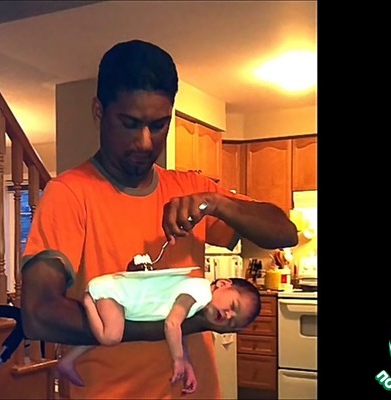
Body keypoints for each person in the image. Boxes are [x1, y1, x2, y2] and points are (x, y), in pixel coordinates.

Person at [20, 39, 298, 399]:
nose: (146, 142)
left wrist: (217, 203)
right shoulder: (69, 194)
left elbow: (284, 232)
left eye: (159, 125)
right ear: (99, 111)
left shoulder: (191, 189)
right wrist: (184, 323)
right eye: (130, 124)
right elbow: (39, 315)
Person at [57, 273, 262, 393]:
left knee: (107, 329)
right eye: (232, 305)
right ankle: (88, 300)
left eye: (232, 321)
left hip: (121, 299)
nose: (228, 315)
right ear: (223, 284)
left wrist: (186, 362)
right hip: (112, 293)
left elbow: (179, 331)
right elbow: (172, 324)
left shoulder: (198, 301)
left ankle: (68, 361)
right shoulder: (200, 292)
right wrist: (178, 360)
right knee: (111, 336)